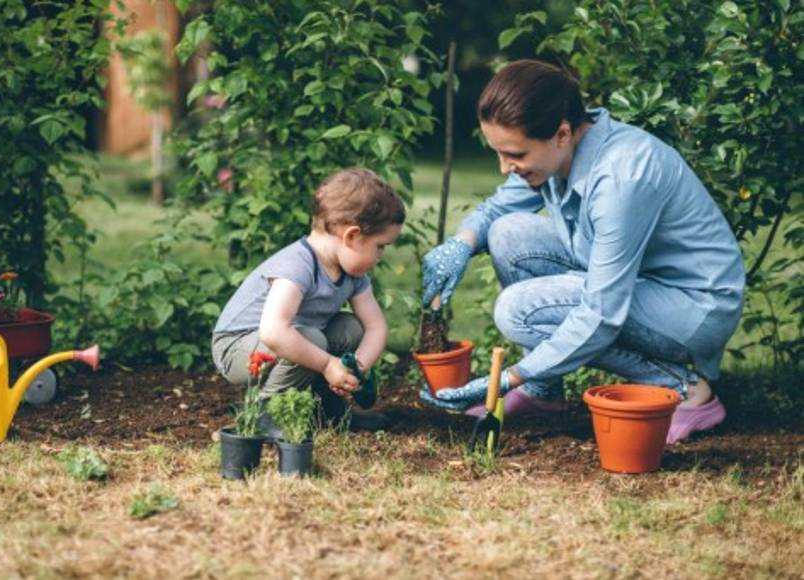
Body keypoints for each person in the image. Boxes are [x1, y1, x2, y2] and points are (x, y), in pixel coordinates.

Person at [419, 60, 745, 444]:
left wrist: (514, 375)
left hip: (693, 307)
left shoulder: (621, 176)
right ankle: (545, 393)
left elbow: (602, 312)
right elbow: (496, 211)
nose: (505, 167)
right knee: (508, 234)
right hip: (642, 282)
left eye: (516, 155)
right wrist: (462, 243)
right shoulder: (558, 151)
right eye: (499, 153)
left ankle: (685, 390)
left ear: (561, 133)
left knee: (518, 310)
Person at [212, 168, 403, 436]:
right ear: (351, 236)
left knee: (350, 328)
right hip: (235, 347)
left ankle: (330, 411)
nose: (381, 255)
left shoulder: (353, 273)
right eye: (379, 246)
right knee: (312, 339)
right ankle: (266, 415)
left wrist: (353, 369)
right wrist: (327, 365)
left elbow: (375, 327)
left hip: (288, 338)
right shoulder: (298, 265)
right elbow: (274, 332)